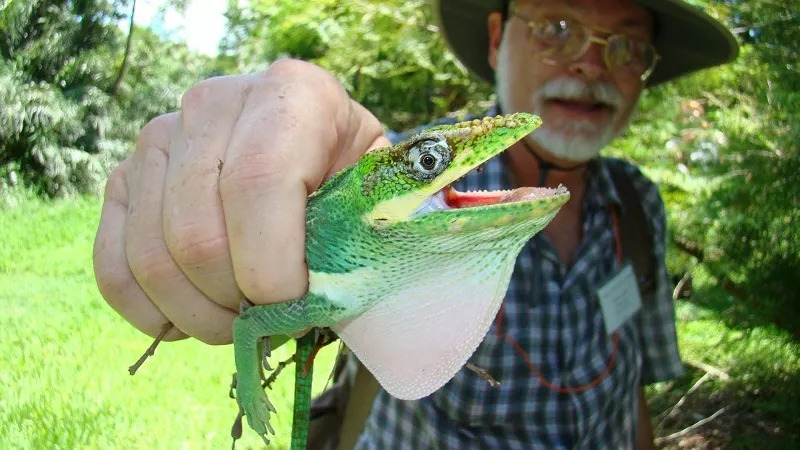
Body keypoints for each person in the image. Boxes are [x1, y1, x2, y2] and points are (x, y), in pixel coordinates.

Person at [92, 0, 738, 447]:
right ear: (496, 38)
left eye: (626, 46)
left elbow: (632, 400)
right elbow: (319, 171)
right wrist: (239, 148)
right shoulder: (406, 177)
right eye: (558, 25)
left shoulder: (640, 205)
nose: (591, 66)